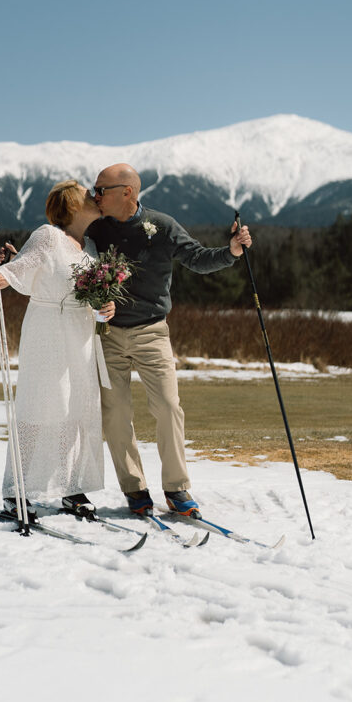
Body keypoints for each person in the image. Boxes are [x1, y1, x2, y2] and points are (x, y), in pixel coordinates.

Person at [86, 162, 252, 519]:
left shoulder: (161, 225)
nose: (94, 195)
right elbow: (64, 249)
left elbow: (197, 258)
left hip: (151, 331)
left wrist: (232, 251)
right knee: (115, 414)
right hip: (107, 334)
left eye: (101, 190)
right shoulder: (95, 228)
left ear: (127, 192)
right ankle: (134, 489)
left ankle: (177, 489)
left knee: (168, 406)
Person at [0, 180, 115, 520]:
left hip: (81, 332)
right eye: (88, 194)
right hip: (47, 329)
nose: (94, 198)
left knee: (77, 410)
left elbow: (90, 294)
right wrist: (0, 277)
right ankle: (17, 490)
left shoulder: (92, 246)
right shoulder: (48, 235)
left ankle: (72, 486)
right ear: (71, 204)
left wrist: (105, 307)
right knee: (39, 407)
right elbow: (24, 266)